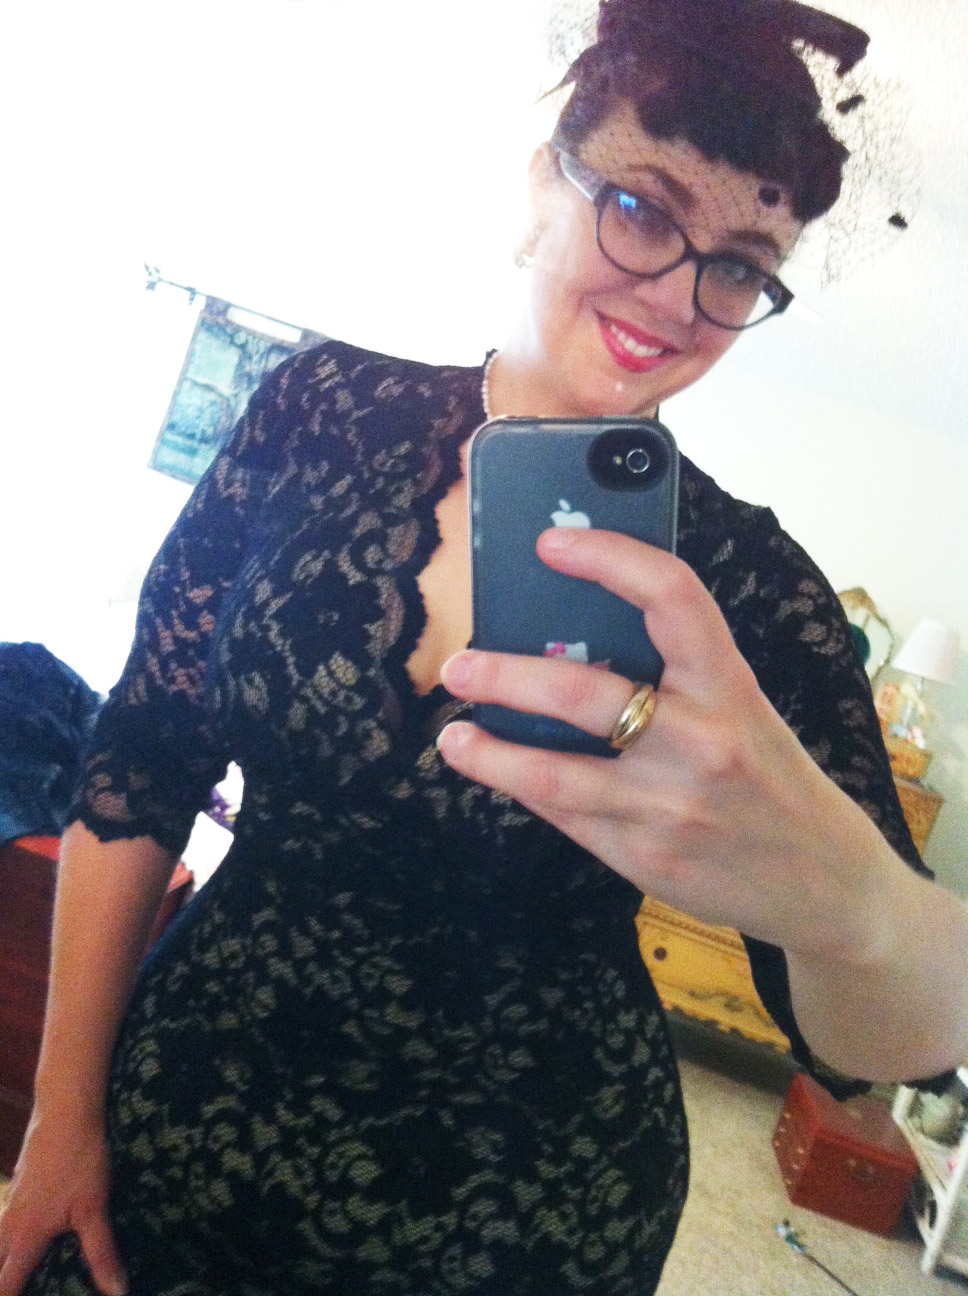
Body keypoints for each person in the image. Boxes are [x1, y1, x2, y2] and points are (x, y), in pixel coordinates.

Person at [2, 1, 967, 1293]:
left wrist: (862, 909)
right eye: (644, 209)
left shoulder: (755, 591)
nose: (679, 297)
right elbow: (143, 752)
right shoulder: (319, 409)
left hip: (525, 1216)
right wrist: (59, 1111)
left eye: (740, 266)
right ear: (540, 186)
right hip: (179, 1127)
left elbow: (887, 1043)